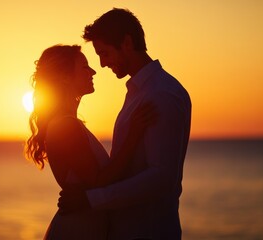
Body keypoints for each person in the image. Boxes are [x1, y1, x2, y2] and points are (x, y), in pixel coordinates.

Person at [58, 8, 192, 240]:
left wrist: (92, 199)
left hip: (149, 231)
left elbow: (162, 177)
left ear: (127, 43)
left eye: (105, 53)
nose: (101, 64)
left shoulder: (161, 94)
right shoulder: (138, 93)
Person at [25, 44, 154, 239]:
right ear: (65, 77)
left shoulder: (68, 123)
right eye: (85, 67)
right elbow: (99, 180)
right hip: (77, 230)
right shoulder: (65, 126)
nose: (93, 71)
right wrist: (133, 136)